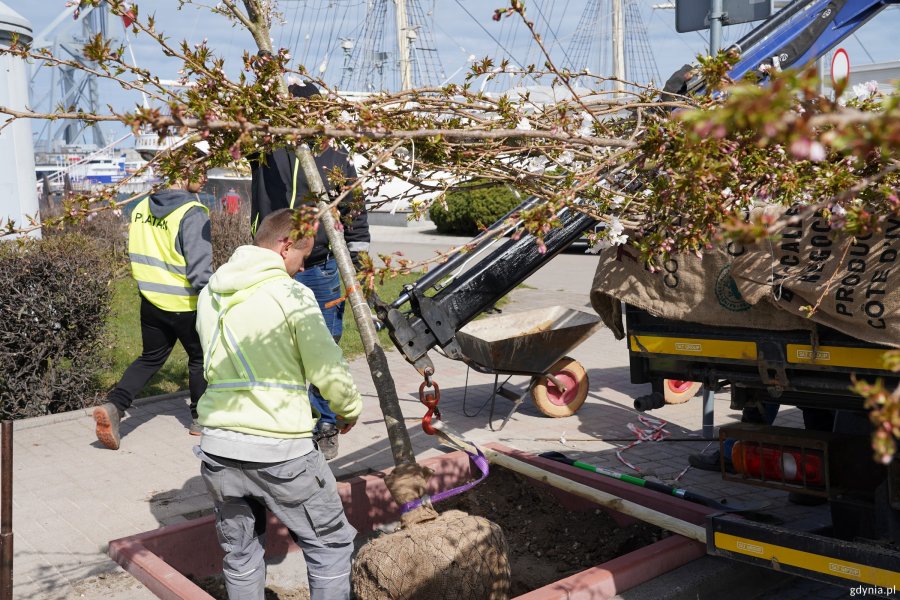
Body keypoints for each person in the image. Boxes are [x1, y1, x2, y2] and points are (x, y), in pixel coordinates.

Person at [193, 208, 362, 600]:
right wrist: (348, 409)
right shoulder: (292, 294)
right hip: (281, 452)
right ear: (285, 245)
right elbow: (327, 366)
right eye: (303, 256)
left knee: (240, 553)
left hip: (218, 450)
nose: (303, 268)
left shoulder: (210, 293)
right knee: (331, 545)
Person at [249, 79, 370, 460]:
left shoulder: (334, 156)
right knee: (272, 341)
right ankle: (276, 418)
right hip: (272, 263)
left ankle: (326, 422)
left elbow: (354, 208)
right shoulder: (266, 148)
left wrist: (357, 259)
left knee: (324, 343)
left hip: (320, 266)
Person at [93, 162, 213, 450]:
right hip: (186, 303)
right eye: (202, 170)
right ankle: (200, 419)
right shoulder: (193, 212)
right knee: (200, 358)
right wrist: (214, 298)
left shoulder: (141, 207)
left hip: (151, 301)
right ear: (182, 171)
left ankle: (115, 405)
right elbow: (200, 271)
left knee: (150, 358)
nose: (206, 177)